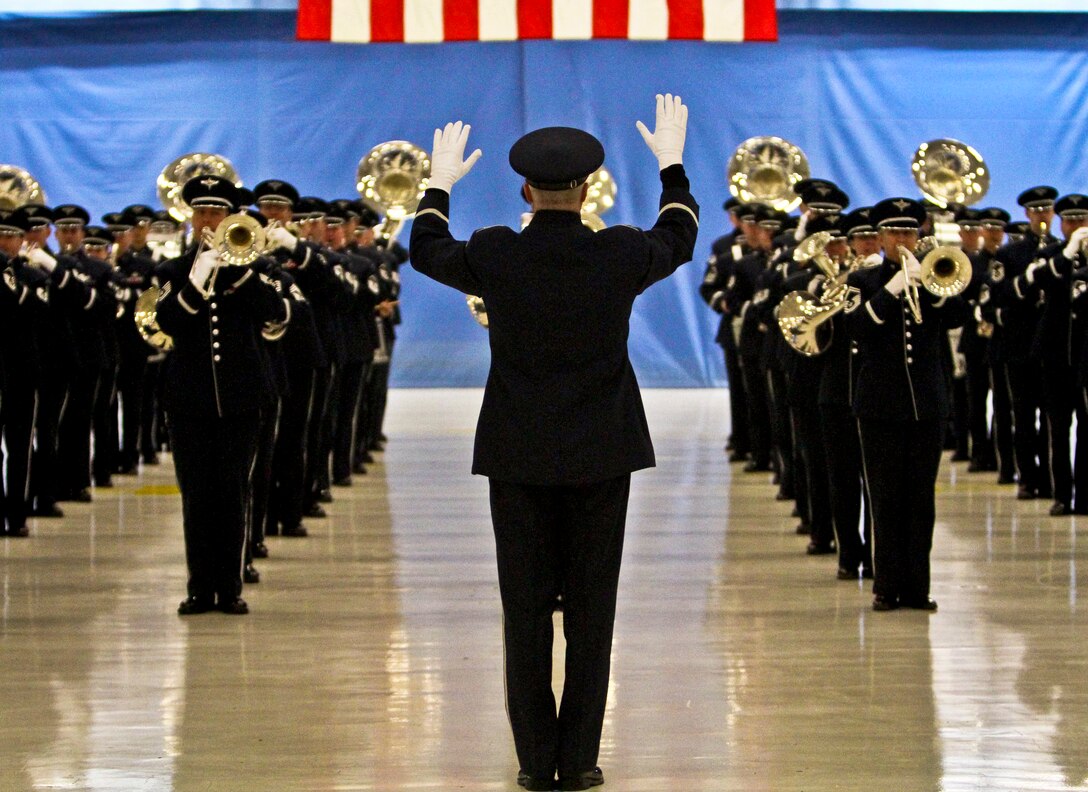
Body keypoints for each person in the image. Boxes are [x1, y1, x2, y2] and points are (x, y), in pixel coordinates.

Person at [409, 95, 698, 791]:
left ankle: (536, 763)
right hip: (602, 454)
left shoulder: (497, 252)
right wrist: (672, 167)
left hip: (519, 454)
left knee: (527, 615)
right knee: (593, 616)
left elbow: (424, 250)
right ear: (590, 189)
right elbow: (680, 235)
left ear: (525, 191)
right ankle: (582, 761)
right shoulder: (621, 252)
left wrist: (438, 183)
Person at [155, 175, 286, 615]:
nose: (208, 220)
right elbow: (169, 321)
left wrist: (236, 267)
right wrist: (199, 277)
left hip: (242, 399)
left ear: (230, 216)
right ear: (192, 219)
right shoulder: (172, 270)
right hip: (189, 401)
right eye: (202, 213)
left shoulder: (257, 267)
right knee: (196, 495)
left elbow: (278, 312)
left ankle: (229, 588)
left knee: (232, 492)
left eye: (216, 213)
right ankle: (199, 588)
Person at [844, 197, 967, 612]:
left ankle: (917, 587)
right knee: (885, 498)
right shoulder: (863, 281)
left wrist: (928, 285)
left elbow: (956, 317)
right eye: (895, 233)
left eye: (909, 232)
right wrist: (894, 287)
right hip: (879, 406)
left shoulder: (933, 278)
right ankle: (886, 586)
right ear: (880, 238)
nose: (903, 240)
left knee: (921, 500)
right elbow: (856, 328)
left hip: (926, 406)